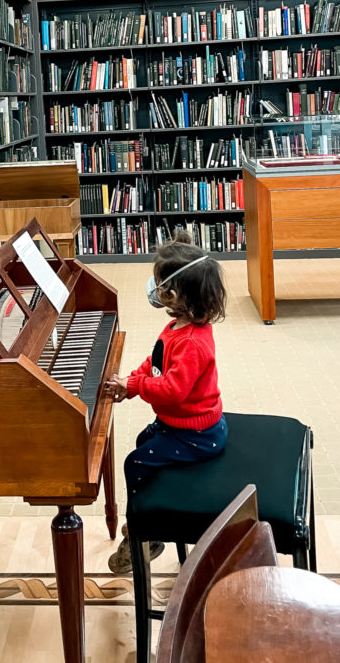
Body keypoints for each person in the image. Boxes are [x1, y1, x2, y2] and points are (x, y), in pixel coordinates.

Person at [104, 230, 227, 574]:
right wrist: (130, 384)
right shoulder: (177, 327)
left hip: (197, 433)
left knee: (136, 463)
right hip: (180, 423)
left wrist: (137, 384)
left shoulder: (193, 343)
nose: (153, 288)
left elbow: (172, 389)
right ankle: (153, 515)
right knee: (145, 441)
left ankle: (145, 536)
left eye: (158, 282)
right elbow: (156, 360)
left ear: (173, 293)